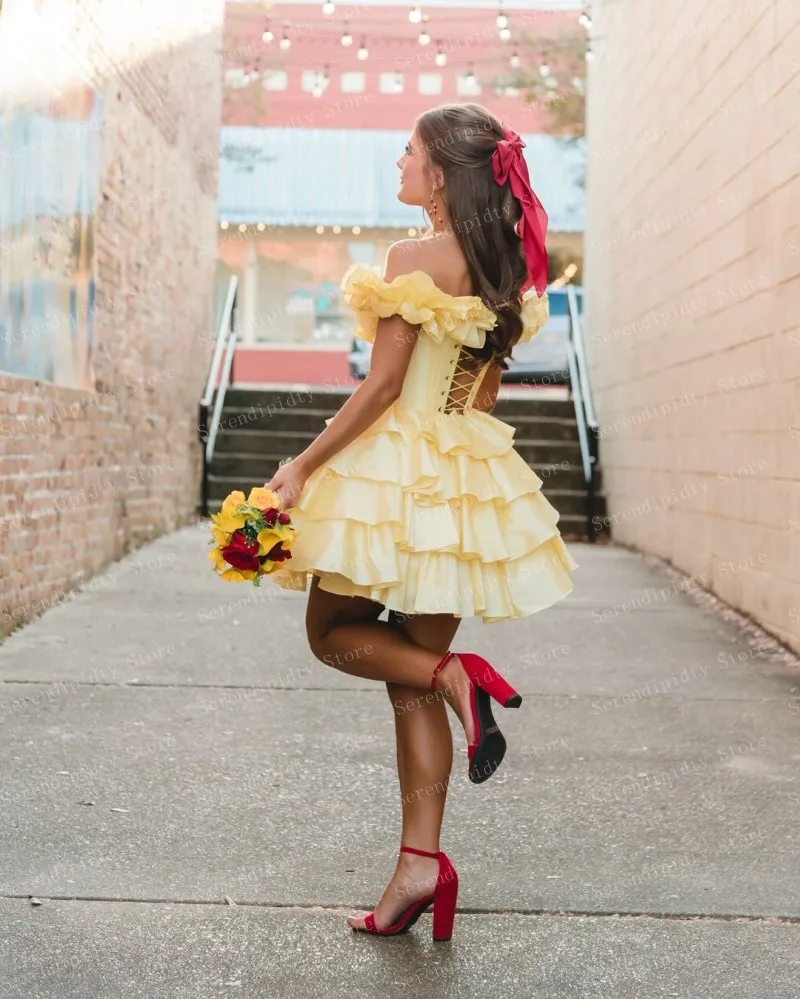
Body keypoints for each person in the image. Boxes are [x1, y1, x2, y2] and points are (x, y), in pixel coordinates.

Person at [265, 102, 578, 941]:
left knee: (333, 634)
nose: (396, 162)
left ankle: (456, 679)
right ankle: (418, 865)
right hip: (463, 478)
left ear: (440, 170)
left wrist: (302, 465)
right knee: (410, 675)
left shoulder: (412, 257)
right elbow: (481, 393)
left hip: (399, 462)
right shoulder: (504, 265)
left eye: (407, 151)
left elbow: (381, 388)